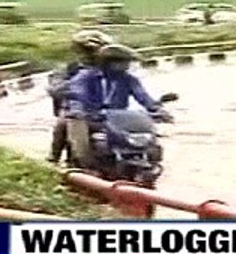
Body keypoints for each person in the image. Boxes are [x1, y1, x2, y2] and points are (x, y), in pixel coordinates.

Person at [65, 44, 172, 169]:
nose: (127, 65)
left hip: (116, 119)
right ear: (108, 62)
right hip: (90, 118)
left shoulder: (130, 79)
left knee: (148, 138)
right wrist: (77, 109)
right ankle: (85, 165)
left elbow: (142, 96)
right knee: (80, 137)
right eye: (122, 62)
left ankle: (144, 160)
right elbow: (77, 94)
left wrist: (157, 109)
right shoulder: (86, 77)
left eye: (128, 62)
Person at [46, 29, 115, 163]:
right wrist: (70, 90)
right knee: (63, 123)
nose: (92, 55)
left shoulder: (112, 69)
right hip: (78, 112)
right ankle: (56, 159)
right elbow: (55, 87)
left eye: (96, 50)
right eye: (87, 51)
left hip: (107, 112)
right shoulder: (69, 69)